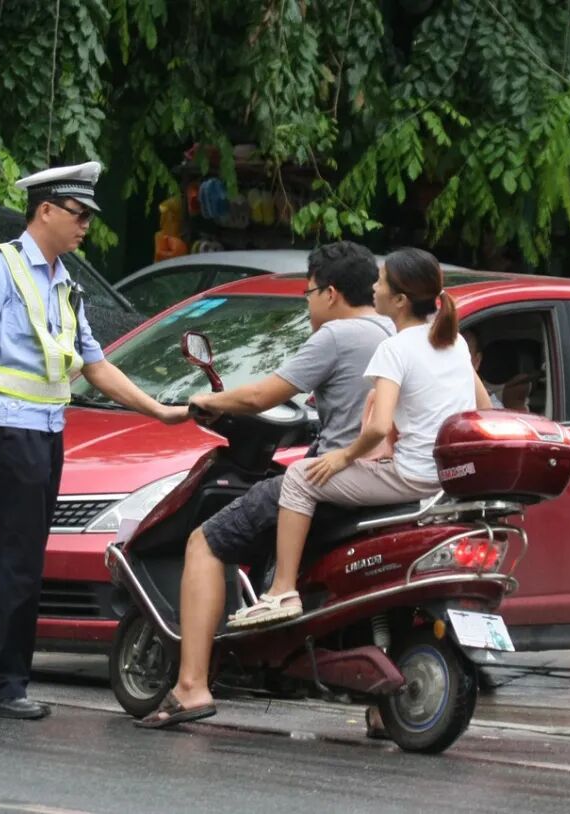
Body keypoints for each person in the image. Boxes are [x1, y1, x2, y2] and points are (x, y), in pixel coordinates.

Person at [0, 161, 188, 720]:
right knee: (14, 561)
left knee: (14, 557)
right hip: (10, 433)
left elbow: (96, 366)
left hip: (45, 434)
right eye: (78, 214)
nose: (85, 226)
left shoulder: (64, 282)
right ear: (46, 211)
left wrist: (157, 410)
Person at [136, 241, 394, 729]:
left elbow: (261, 395)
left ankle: (191, 685)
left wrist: (202, 402)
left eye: (309, 292)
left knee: (207, 542)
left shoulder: (337, 335)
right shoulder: (396, 332)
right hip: (389, 483)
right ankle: (382, 708)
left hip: (330, 480)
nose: (308, 301)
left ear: (332, 293)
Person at [231, 247, 492, 632]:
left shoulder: (395, 348)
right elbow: (483, 408)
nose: (374, 287)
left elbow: (374, 429)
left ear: (399, 300)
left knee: (301, 477)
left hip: (411, 476)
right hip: (444, 477)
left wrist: (341, 458)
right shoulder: (451, 343)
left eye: (382, 282)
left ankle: (282, 591)